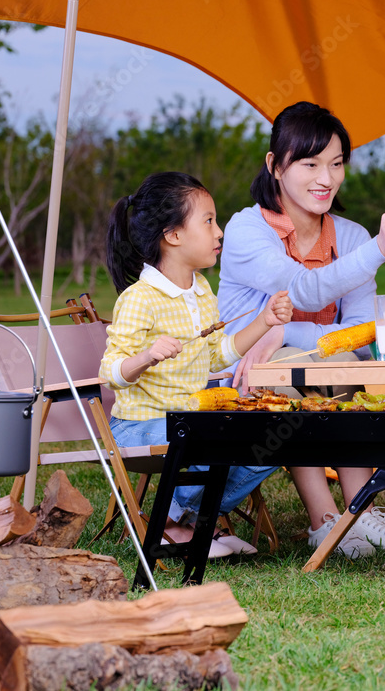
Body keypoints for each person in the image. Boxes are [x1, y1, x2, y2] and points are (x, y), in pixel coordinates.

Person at [218, 101, 385, 559]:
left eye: (336, 164)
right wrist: (379, 248)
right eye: (310, 164)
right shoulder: (246, 229)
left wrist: (285, 333)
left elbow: (357, 331)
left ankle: (362, 514)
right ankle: (326, 522)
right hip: (241, 370)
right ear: (275, 165)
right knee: (300, 378)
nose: (326, 179)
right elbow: (301, 291)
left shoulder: (348, 236)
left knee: (343, 366)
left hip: (320, 362)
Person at [100, 171, 294, 558]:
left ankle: (186, 520)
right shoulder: (141, 298)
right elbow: (110, 373)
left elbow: (216, 355)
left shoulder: (202, 289)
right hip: (138, 428)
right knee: (212, 436)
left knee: (276, 439)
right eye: (208, 221)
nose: (219, 232)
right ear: (172, 235)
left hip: (191, 420)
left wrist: (264, 321)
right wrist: (146, 356)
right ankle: (173, 521)